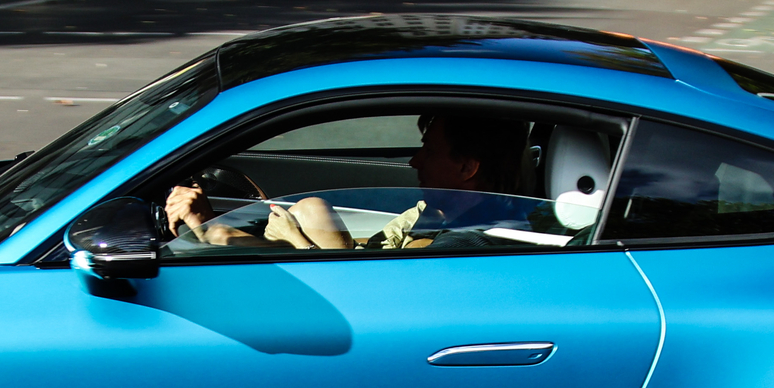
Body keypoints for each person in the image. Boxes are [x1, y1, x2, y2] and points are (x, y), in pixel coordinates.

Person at [165, 113, 523, 251]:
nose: (415, 160)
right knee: (311, 209)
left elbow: (366, 299)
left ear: (466, 168)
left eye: (429, 151)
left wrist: (296, 242)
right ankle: (207, 230)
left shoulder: (461, 246)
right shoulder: (437, 214)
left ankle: (206, 231)